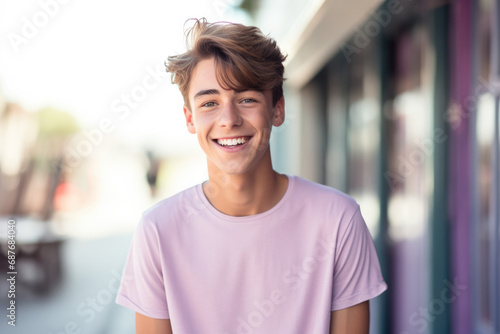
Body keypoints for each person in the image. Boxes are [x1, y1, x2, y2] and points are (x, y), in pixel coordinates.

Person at [115, 18, 387, 334]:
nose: (228, 119)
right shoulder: (157, 232)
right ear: (190, 119)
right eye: (209, 103)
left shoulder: (338, 220)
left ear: (277, 109)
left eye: (246, 99)